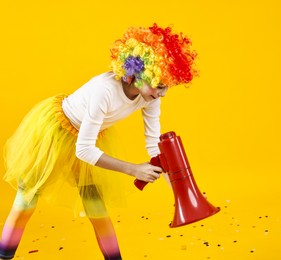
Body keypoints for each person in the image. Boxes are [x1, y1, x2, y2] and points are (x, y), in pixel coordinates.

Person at [0, 23, 198, 260]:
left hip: (89, 138)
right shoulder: (104, 91)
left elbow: (154, 144)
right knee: (26, 200)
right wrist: (134, 169)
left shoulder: (150, 97)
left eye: (167, 87)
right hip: (54, 133)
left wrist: (179, 188)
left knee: (96, 208)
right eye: (160, 85)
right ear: (138, 73)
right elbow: (84, 150)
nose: (163, 93)